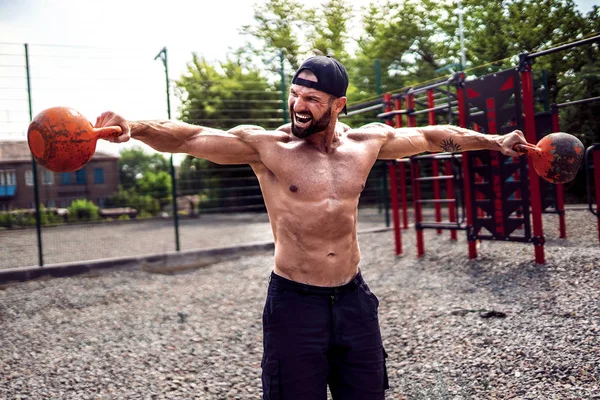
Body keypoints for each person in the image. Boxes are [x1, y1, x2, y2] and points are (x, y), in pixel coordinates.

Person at [95, 55, 527, 399]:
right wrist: (135, 128)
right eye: (296, 94)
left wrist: (494, 141)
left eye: (313, 99)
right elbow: (188, 137)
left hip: (354, 299)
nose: (299, 105)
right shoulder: (267, 147)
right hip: (295, 302)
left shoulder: (366, 143)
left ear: (339, 105)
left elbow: (432, 138)